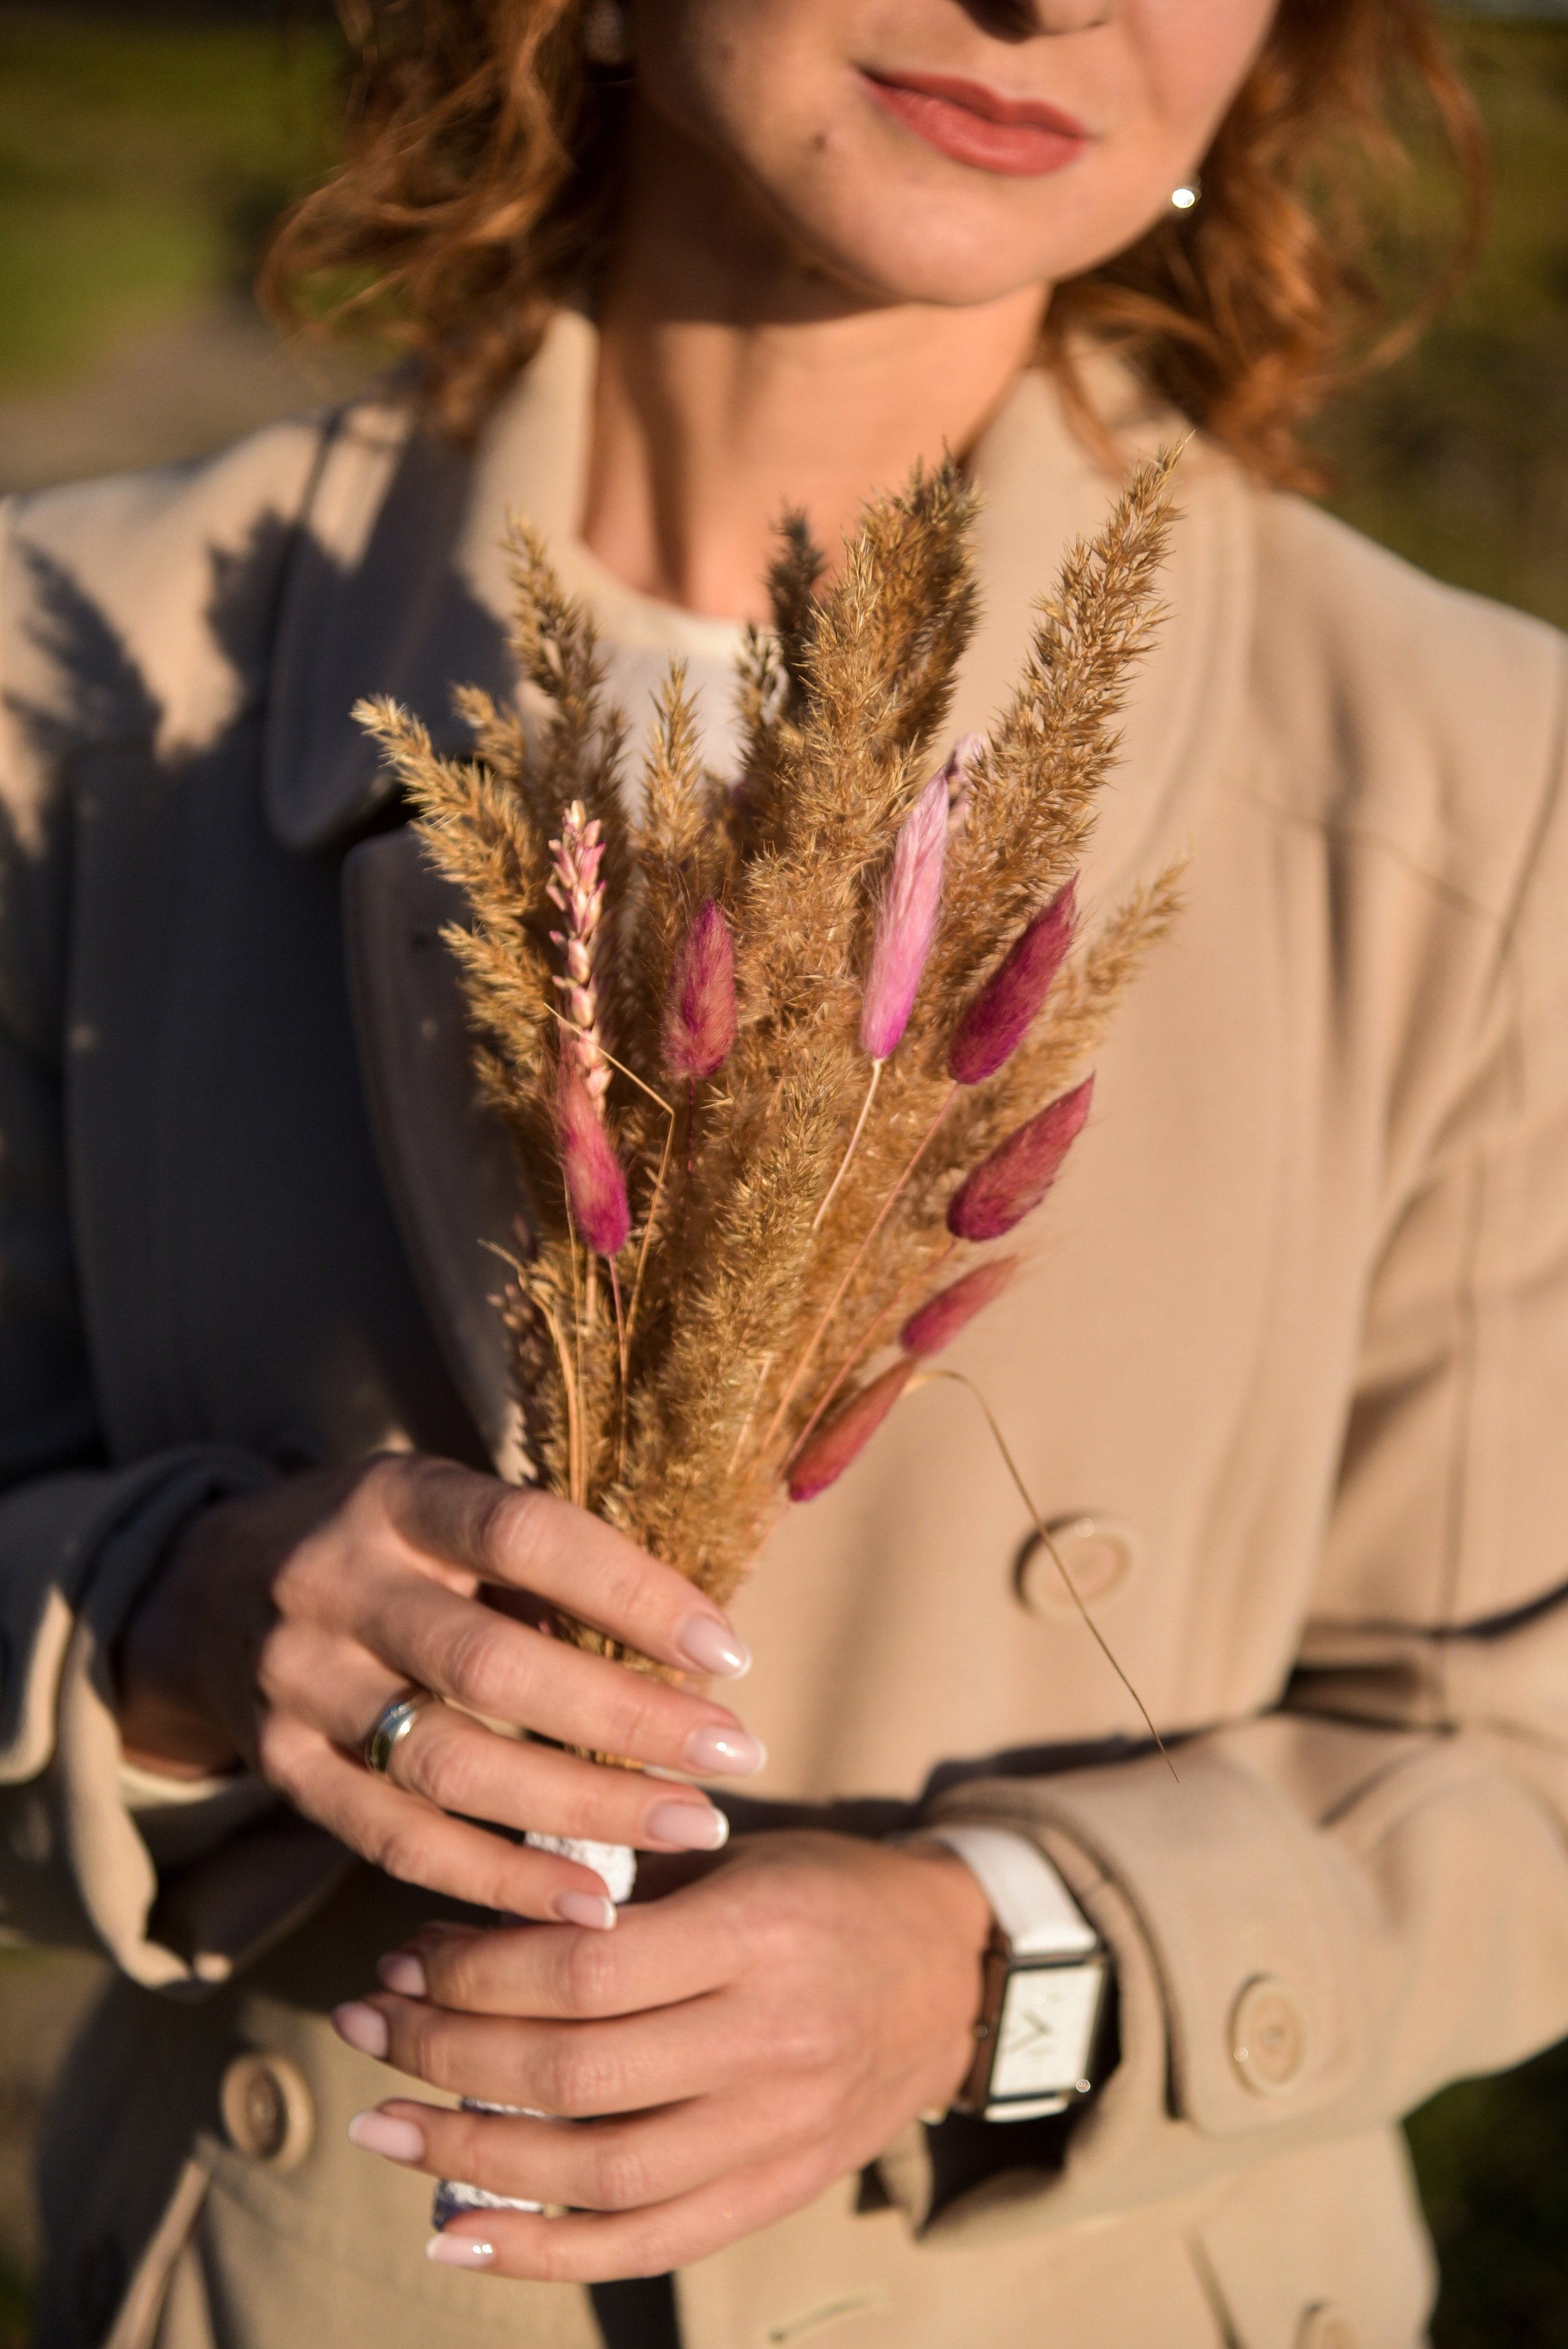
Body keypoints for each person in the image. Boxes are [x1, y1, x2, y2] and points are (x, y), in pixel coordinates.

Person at [3, 2, 1567, 2344]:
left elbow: (1519, 1767)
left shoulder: (1473, 788)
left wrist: (1004, 1962)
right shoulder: (68, 680)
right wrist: (169, 1623)